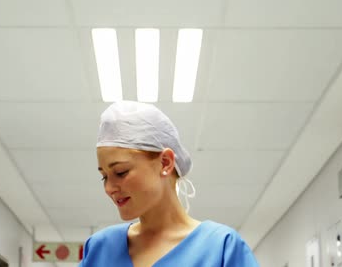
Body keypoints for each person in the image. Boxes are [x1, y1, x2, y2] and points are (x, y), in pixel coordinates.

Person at [78, 101, 259, 266]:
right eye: (104, 176)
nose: (109, 188)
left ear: (165, 162)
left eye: (120, 172)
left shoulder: (221, 248)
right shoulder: (99, 249)